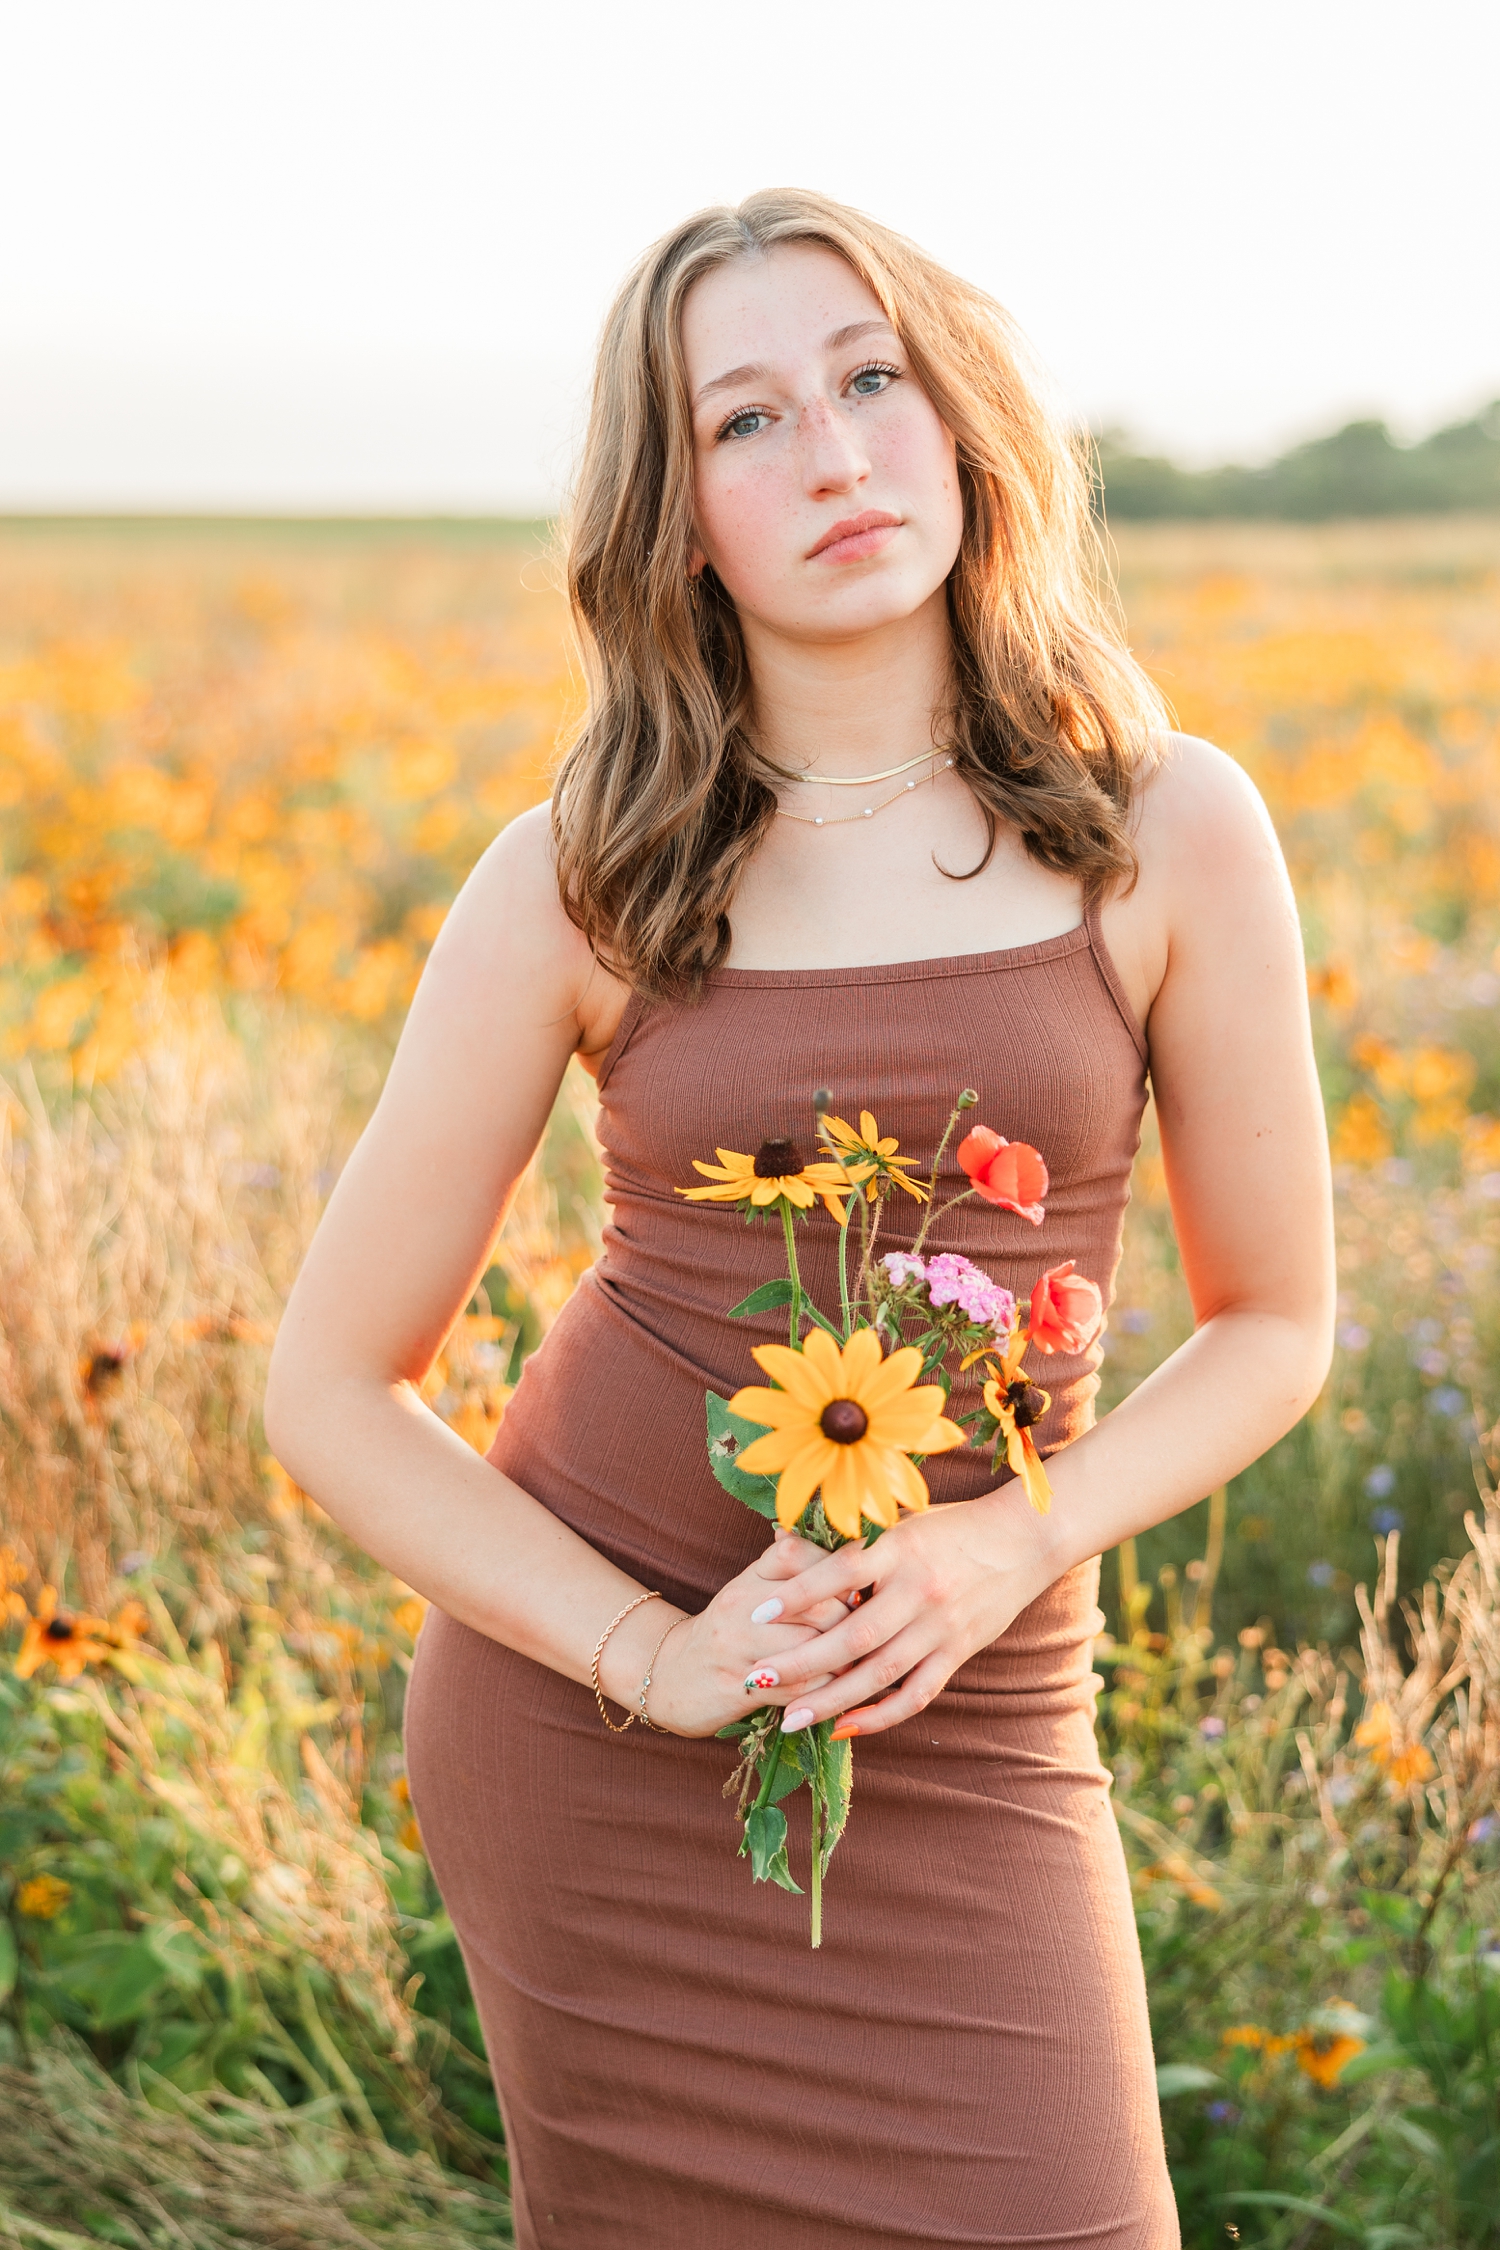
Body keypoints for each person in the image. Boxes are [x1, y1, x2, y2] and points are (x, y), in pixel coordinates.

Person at [265, 189, 1334, 2248]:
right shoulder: (587, 868)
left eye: (871, 380)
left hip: (986, 1695)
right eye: (746, 421)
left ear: (960, 425)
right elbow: (327, 1388)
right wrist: (655, 1661)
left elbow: (1276, 1321)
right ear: (680, 519)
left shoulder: (1164, 825)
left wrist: (1004, 1545)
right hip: (609, 1735)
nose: (835, 453)